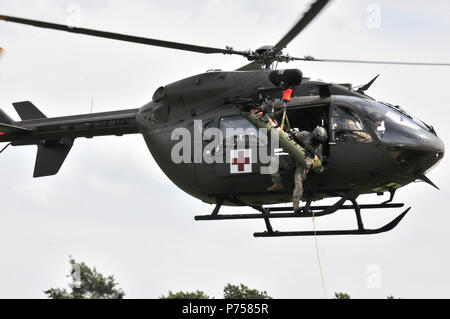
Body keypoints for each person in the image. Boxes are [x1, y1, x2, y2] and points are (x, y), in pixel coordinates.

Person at [267, 126, 328, 214]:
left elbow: (320, 159)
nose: (317, 143)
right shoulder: (304, 134)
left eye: (319, 142)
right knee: (273, 160)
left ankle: (296, 206)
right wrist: (292, 135)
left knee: (298, 182)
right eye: (316, 140)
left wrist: (316, 158)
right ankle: (277, 182)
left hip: (303, 164)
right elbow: (292, 138)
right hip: (293, 158)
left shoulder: (319, 146)